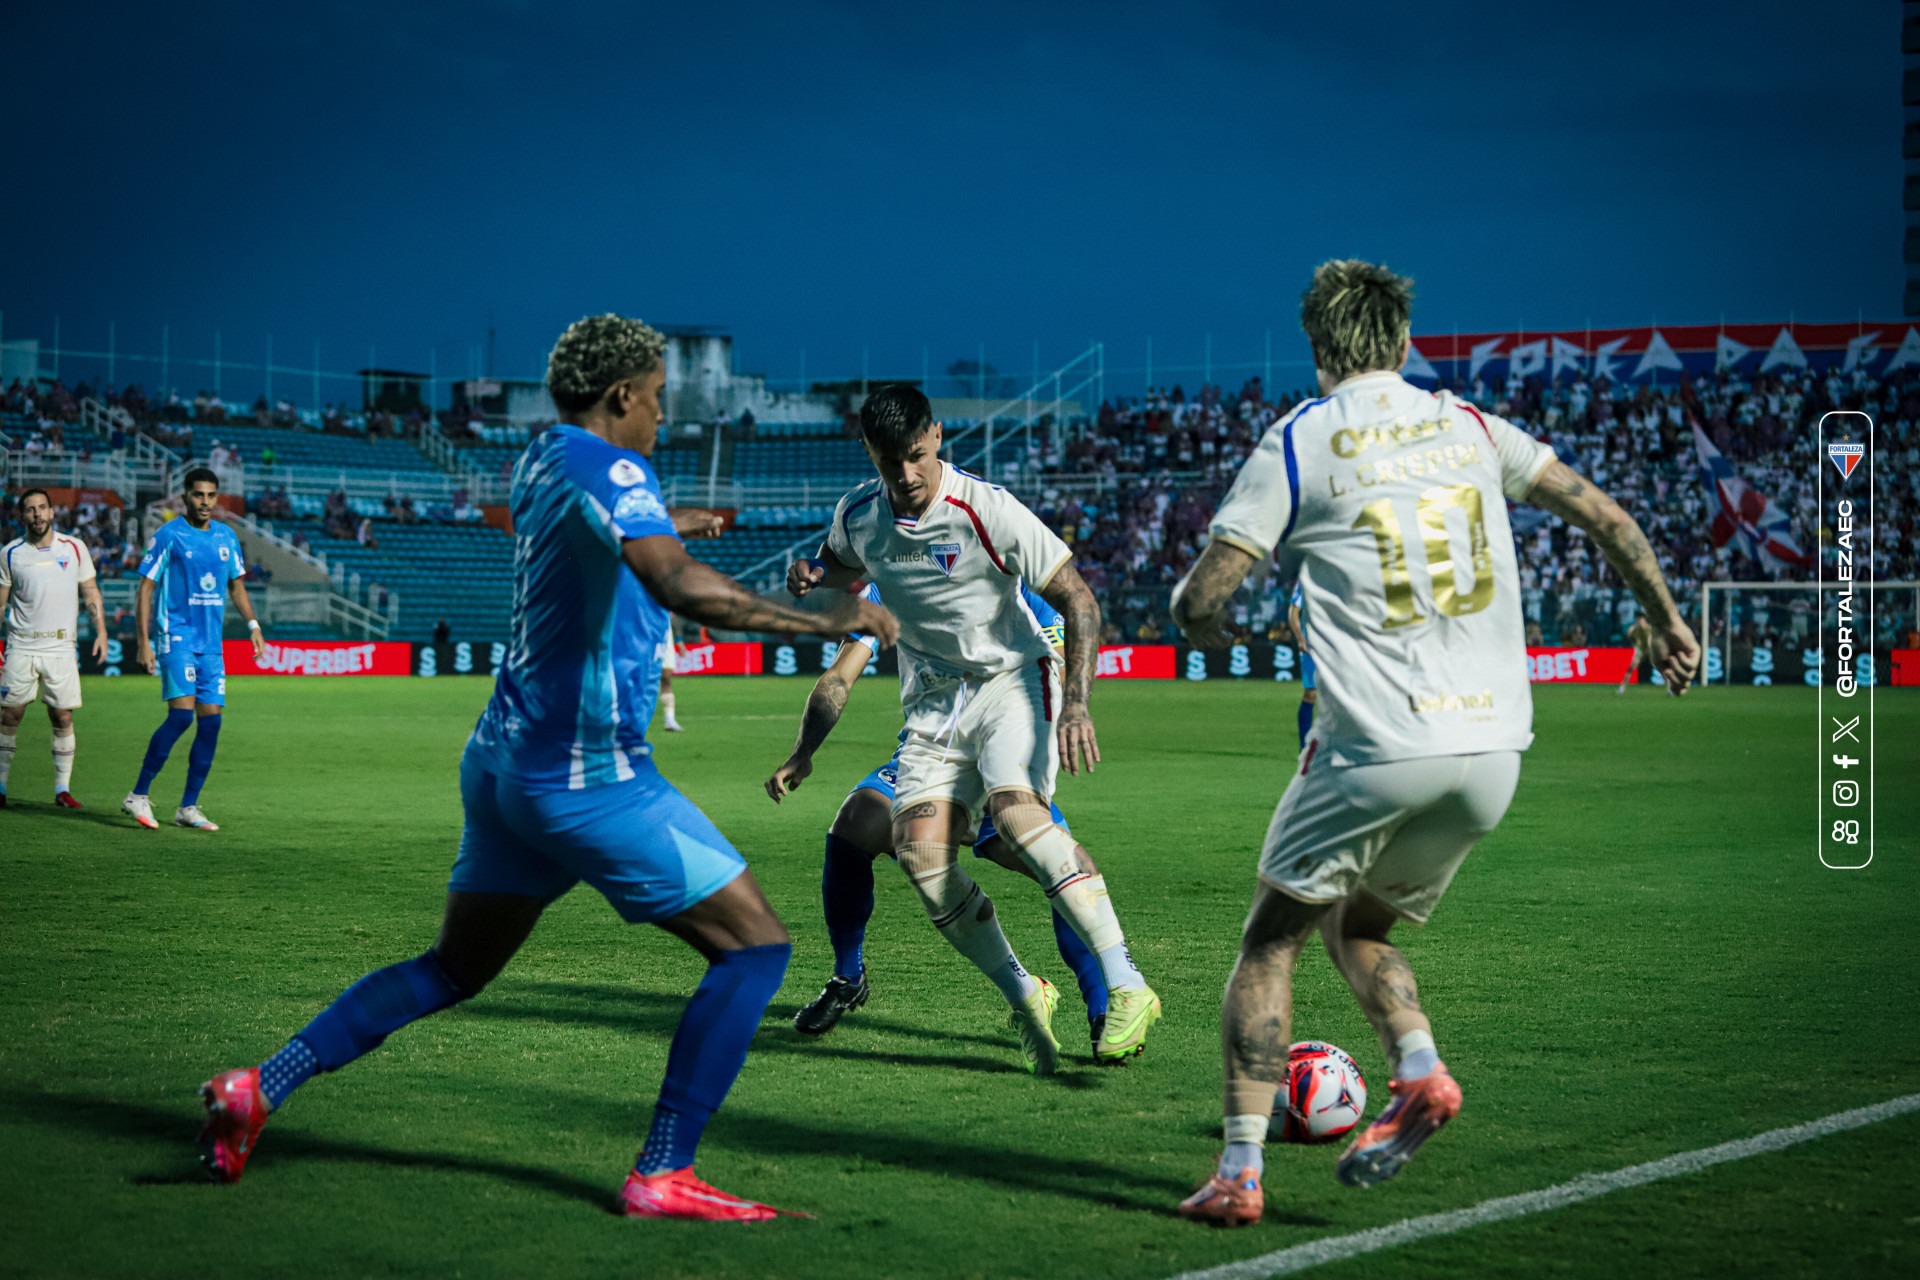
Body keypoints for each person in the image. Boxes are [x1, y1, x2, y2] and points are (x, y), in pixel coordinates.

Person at [194, 313, 896, 1221]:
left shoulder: (540, 457)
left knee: (453, 969)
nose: (660, 418)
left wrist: (675, 519)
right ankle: (663, 1169)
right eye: (655, 399)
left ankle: (258, 1087)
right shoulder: (613, 467)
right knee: (756, 949)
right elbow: (681, 587)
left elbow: (605, 528)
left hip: (501, 766)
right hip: (587, 778)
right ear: (620, 397)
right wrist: (835, 620)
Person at [1168, 259, 1700, 1225]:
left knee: (1269, 943)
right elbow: (1608, 516)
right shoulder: (1470, 426)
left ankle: (1239, 1175)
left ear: (1320, 348)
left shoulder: (1299, 441)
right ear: (1404, 343)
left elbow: (1201, 599)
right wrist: (1663, 620)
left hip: (1377, 744)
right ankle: (1419, 1069)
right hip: (1495, 751)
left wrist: (1218, 632)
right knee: (1359, 925)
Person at [786, 383, 1160, 1076]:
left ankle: (1126, 986)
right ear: (869, 453)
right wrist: (813, 572)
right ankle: (1026, 992)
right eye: (890, 461)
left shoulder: (984, 508)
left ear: (937, 438)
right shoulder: (861, 514)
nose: (907, 476)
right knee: (919, 856)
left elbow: (1077, 596)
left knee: (1021, 820)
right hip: (934, 710)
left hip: (1014, 680)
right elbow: (843, 565)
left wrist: (1076, 703)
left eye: (919, 456)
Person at [765, 581, 1113, 1053]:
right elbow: (839, 677)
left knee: (1064, 865)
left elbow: (1058, 669)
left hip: (999, 762)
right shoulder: (887, 582)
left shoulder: (1012, 576)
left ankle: (1104, 1007)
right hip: (927, 758)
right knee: (853, 826)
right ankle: (848, 976)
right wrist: (803, 751)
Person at [123, 470, 267, 832]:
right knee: (181, 717)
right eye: (199, 495)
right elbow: (145, 589)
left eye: (211, 495)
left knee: (211, 723)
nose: (205, 502)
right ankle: (137, 795)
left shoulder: (226, 536)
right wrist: (144, 642)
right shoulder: (169, 535)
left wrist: (253, 626)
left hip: (210, 645)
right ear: (184, 497)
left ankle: (187, 807)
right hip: (177, 637)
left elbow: (236, 586)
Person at [0, 489, 109, 808]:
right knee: (10, 715)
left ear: (52, 512)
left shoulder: (75, 548)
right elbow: (1, 601)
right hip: (22, 644)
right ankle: (1, 787)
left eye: (42, 508)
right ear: (22, 516)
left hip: (62, 646)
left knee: (62, 716)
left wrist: (101, 630)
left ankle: (62, 789)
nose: (37, 514)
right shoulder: (10, 553)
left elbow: (90, 592)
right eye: (30, 510)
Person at [1287, 579, 1316, 747]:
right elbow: (1293, 612)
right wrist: (1300, 638)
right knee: (1310, 693)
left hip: (1337, 644)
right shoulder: (1306, 580)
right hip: (1312, 645)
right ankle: (1304, 745)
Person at [1618, 612, 1652, 694]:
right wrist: (1631, 630)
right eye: (1637, 620)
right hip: (1640, 651)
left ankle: (1671, 689)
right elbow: (1628, 636)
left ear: (1644, 620)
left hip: (1650, 651)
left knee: (1662, 669)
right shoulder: (1634, 629)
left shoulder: (1650, 628)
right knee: (1631, 668)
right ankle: (1622, 688)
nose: (1638, 621)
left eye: (1640, 619)